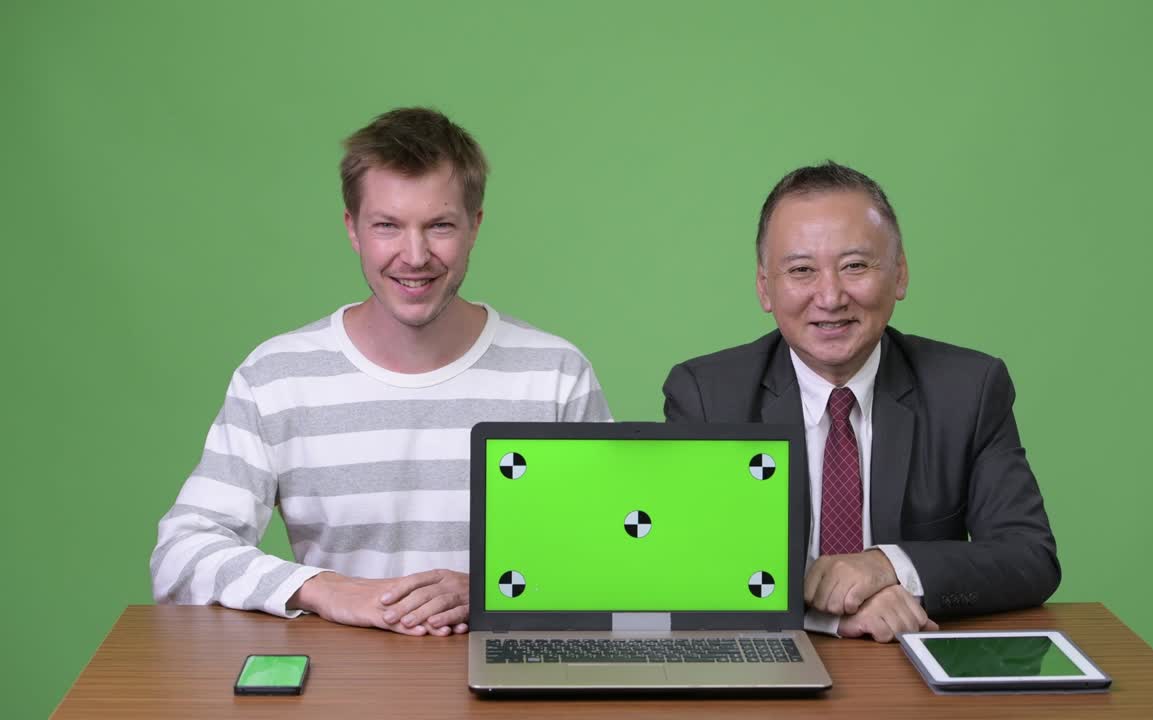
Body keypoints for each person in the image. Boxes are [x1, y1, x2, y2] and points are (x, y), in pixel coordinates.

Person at [150, 107, 611, 637]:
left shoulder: (555, 374)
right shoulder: (276, 377)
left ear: (475, 226)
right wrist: (328, 589)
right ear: (353, 229)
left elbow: (615, 558)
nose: (414, 256)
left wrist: (486, 591)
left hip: (510, 683)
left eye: (439, 226)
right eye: (387, 226)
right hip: (344, 687)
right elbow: (179, 557)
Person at [662, 162, 1059, 641]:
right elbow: (687, 566)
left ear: (900, 275)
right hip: (769, 676)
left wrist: (888, 565)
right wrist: (829, 614)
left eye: (854, 266)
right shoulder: (706, 396)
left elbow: (1028, 556)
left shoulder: (969, 389)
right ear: (765, 288)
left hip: (915, 675)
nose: (830, 296)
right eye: (802, 270)